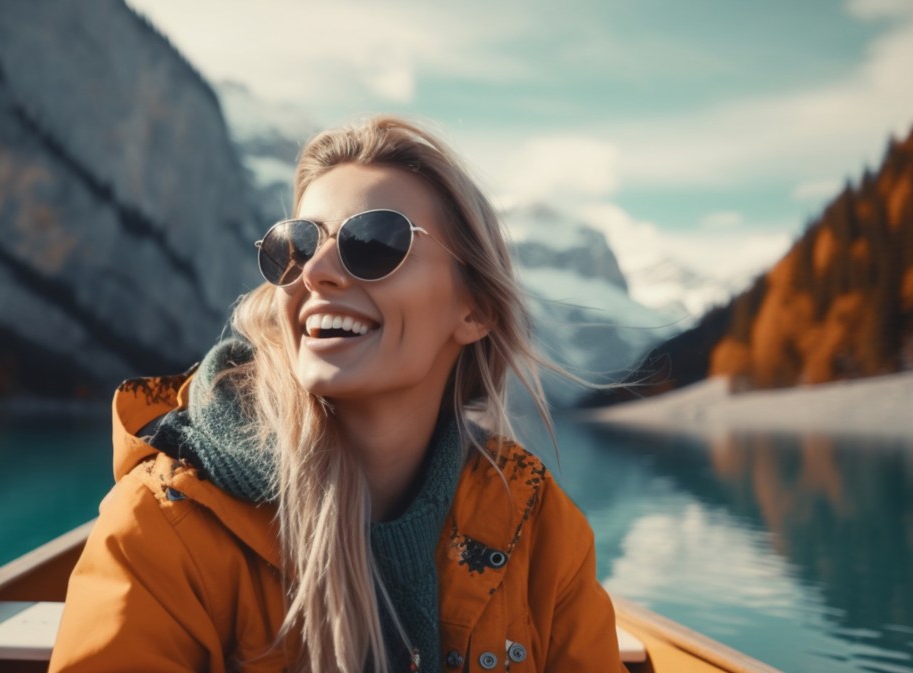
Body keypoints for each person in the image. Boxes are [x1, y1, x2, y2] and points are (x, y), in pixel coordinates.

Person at [48, 116, 625, 672]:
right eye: (297, 244)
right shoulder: (161, 524)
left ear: (474, 310)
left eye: (374, 241)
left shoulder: (538, 528)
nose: (316, 270)